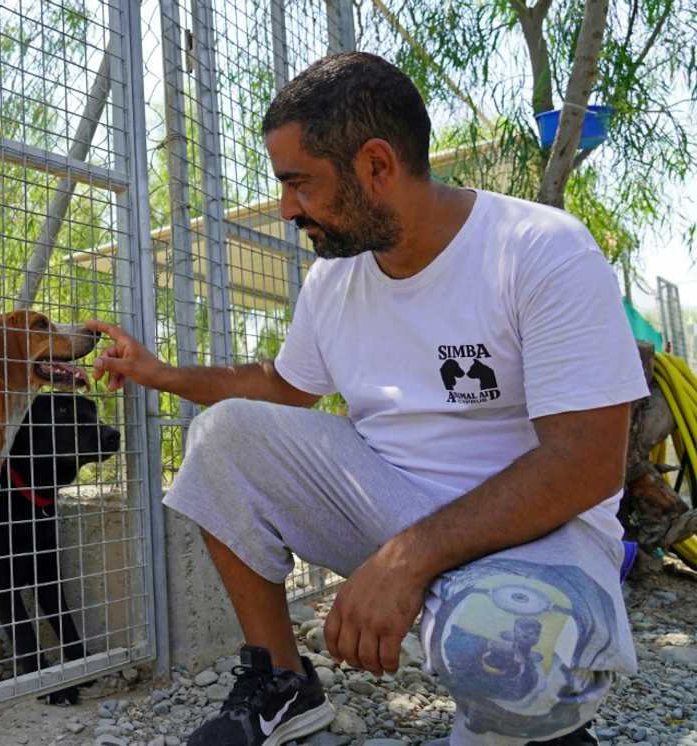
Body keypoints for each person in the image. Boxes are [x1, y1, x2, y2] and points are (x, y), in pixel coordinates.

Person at [86, 52, 646, 746]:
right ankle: (283, 685)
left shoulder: (540, 250)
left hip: (537, 534)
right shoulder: (334, 282)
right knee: (224, 436)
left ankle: (540, 721)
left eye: (299, 184)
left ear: (377, 166)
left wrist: (409, 557)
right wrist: (161, 371)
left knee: (498, 658)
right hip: (390, 501)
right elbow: (280, 389)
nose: (288, 208)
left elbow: (586, 463)